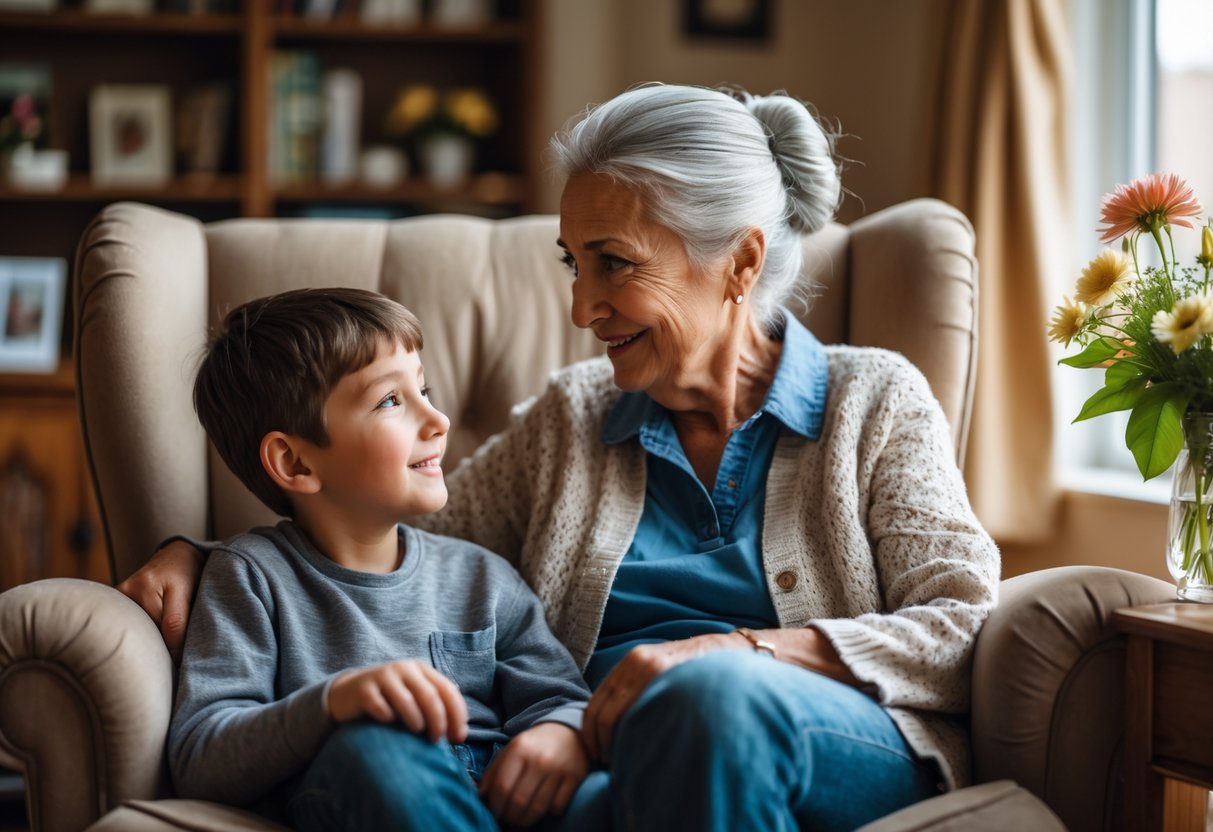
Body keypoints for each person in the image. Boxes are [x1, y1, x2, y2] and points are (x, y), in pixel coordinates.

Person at [125, 83, 1000, 832]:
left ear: (738, 261)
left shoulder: (872, 400)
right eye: (571, 264)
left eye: (612, 265)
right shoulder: (572, 417)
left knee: (707, 702)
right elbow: (390, 535)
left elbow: (961, 626)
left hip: (821, 741)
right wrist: (203, 558)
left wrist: (727, 653)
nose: (582, 308)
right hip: (606, 770)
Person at [168, 287, 591, 831]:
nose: (436, 417)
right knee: (374, 752)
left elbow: (560, 697)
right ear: (294, 462)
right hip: (371, 788)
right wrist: (332, 704)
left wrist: (559, 731)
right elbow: (201, 755)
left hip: (504, 797)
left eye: (424, 388)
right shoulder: (251, 578)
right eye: (391, 400)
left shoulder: (482, 576)